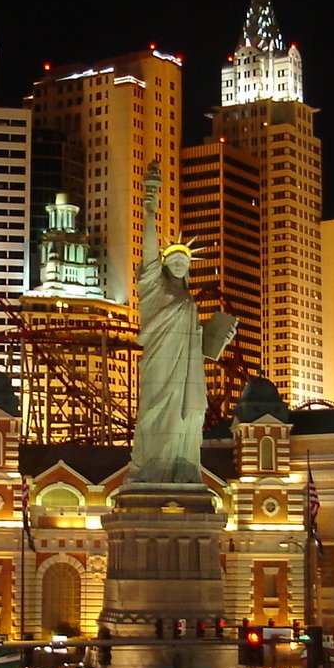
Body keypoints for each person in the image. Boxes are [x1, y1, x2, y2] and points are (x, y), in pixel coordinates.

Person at [129, 160, 237, 484]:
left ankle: (184, 470)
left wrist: (219, 339)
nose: (178, 264)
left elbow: (198, 342)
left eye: (183, 261)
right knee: (157, 415)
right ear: (164, 265)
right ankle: (151, 473)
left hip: (188, 369)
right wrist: (151, 203)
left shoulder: (188, 300)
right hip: (160, 364)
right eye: (173, 260)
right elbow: (149, 250)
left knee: (191, 415)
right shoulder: (154, 288)